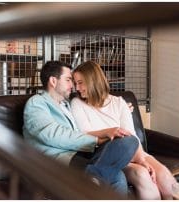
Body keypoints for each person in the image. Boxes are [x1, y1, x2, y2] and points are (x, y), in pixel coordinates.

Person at [23, 61, 140, 196]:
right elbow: (51, 134)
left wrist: (124, 108)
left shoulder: (66, 105)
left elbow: (90, 115)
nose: (73, 86)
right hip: (55, 159)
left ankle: (94, 177)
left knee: (129, 141)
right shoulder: (36, 103)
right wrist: (97, 140)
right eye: (68, 80)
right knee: (117, 178)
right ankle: (93, 177)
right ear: (53, 81)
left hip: (79, 154)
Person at [70, 61, 177, 199]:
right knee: (142, 174)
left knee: (164, 176)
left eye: (80, 82)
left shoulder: (119, 102)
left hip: (132, 150)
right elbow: (85, 134)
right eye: (75, 83)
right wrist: (111, 131)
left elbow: (131, 136)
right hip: (110, 155)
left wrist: (141, 159)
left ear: (92, 81)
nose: (76, 88)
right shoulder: (77, 104)